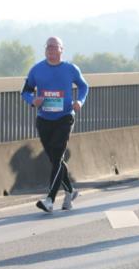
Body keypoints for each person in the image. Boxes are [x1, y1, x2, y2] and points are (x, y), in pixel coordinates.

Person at [22, 37, 89, 213]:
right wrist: (32, 100)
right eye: (48, 47)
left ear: (61, 49)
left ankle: (50, 200)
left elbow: (84, 87)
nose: (51, 50)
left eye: (54, 47)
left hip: (64, 118)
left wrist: (80, 101)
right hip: (44, 119)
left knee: (57, 156)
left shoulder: (71, 69)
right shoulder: (37, 69)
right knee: (55, 159)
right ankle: (70, 191)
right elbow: (25, 91)